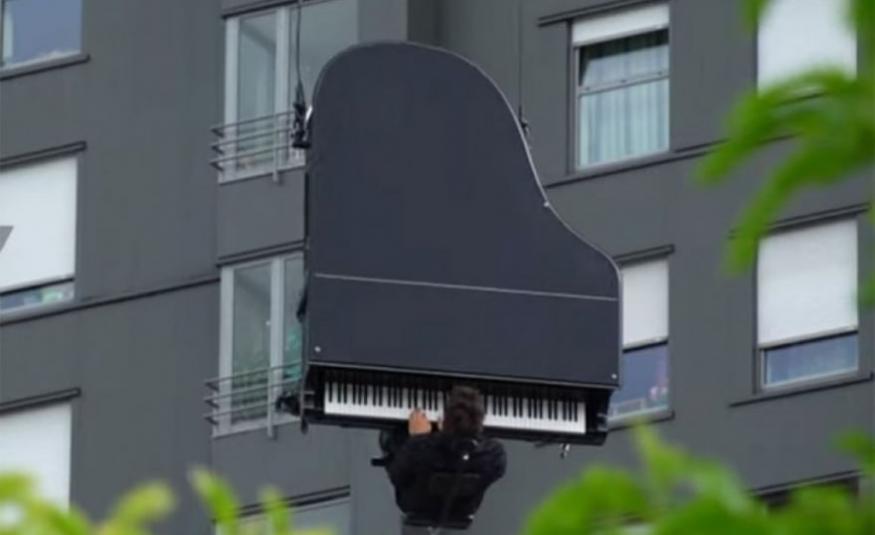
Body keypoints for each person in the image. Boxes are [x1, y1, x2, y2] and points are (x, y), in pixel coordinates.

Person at [383, 386, 506, 523]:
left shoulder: (419, 448)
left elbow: (396, 475)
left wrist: (417, 438)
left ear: (444, 420)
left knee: (394, 438)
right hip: (463, 508)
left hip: (416, 505)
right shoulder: (494, 454)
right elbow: (495, 474)